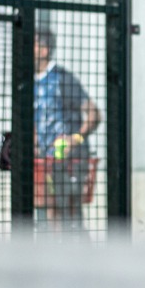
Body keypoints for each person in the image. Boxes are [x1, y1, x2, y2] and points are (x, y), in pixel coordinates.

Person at [34, 27, 100, 233]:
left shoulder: (62, 79)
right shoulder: (30, 83)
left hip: (71, 161)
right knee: (50, 209)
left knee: (70, 212)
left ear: (44, 50)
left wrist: (76, 139)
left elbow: (94, 114)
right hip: (46, 161)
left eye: (33, 44)